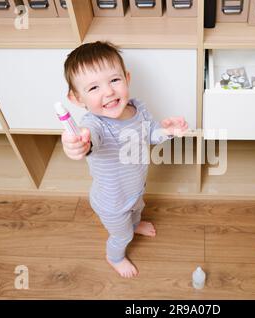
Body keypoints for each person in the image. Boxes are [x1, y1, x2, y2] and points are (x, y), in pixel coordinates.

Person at [61, 41, 188, 278]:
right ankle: (114, 256)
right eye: (93, 88)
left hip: (136, 189)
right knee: (122, 235)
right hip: (112, 203)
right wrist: (79, 144)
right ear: (77, 99)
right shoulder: (93, 125)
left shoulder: (137, 109)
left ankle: (135, 223)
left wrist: (167, 132)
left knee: (138, 211)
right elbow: (89, 141)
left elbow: (151, 134)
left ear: (126, 78)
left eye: (114, 80)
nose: (108, 92)